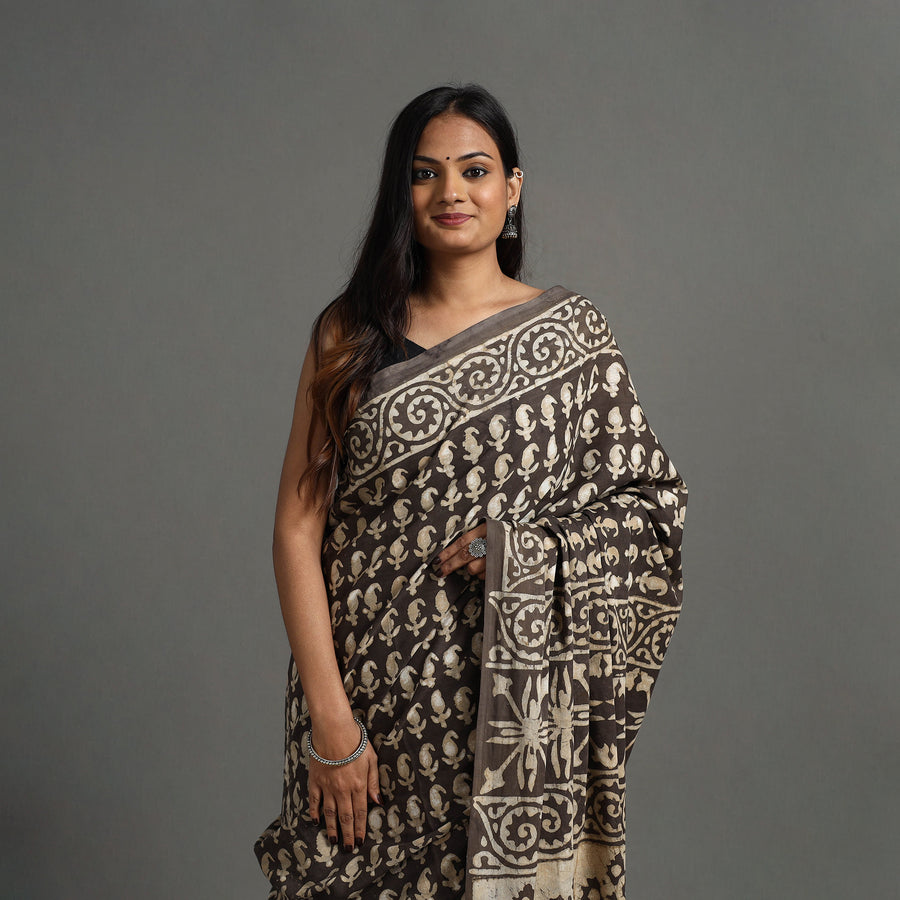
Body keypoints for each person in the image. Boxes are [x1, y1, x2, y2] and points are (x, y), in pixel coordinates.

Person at [254, 84, 687, 900]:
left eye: (474, 170)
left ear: (512, 189)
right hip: (368, 708)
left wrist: (523, 552)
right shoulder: (350, 334)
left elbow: (650, 513)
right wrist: (331, 720)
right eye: (425, 173)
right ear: (402, 192)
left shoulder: (572, 337)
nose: (450, 191)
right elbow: (295, 531)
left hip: (517, 712)